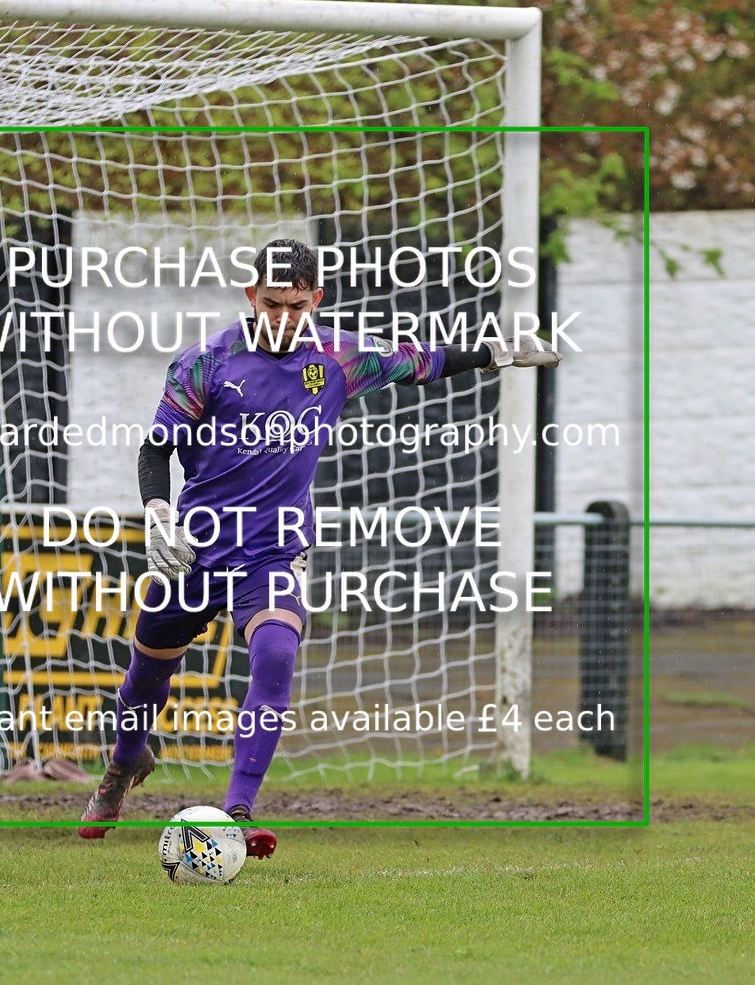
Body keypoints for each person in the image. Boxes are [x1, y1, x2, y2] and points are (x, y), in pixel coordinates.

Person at [79, 238, 560, 855]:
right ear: (251, 296)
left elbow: (420, 360)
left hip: (273, 550)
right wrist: (158, 513)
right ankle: (123, 766)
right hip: (196, 548)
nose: (283, 317)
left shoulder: (338, 356)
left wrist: (498, 353)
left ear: (316, 300)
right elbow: (156, 449)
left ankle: (236, 811)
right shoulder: (205, 362)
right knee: (147, 673)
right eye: (272, 304)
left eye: (296, 306)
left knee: (276, 654)